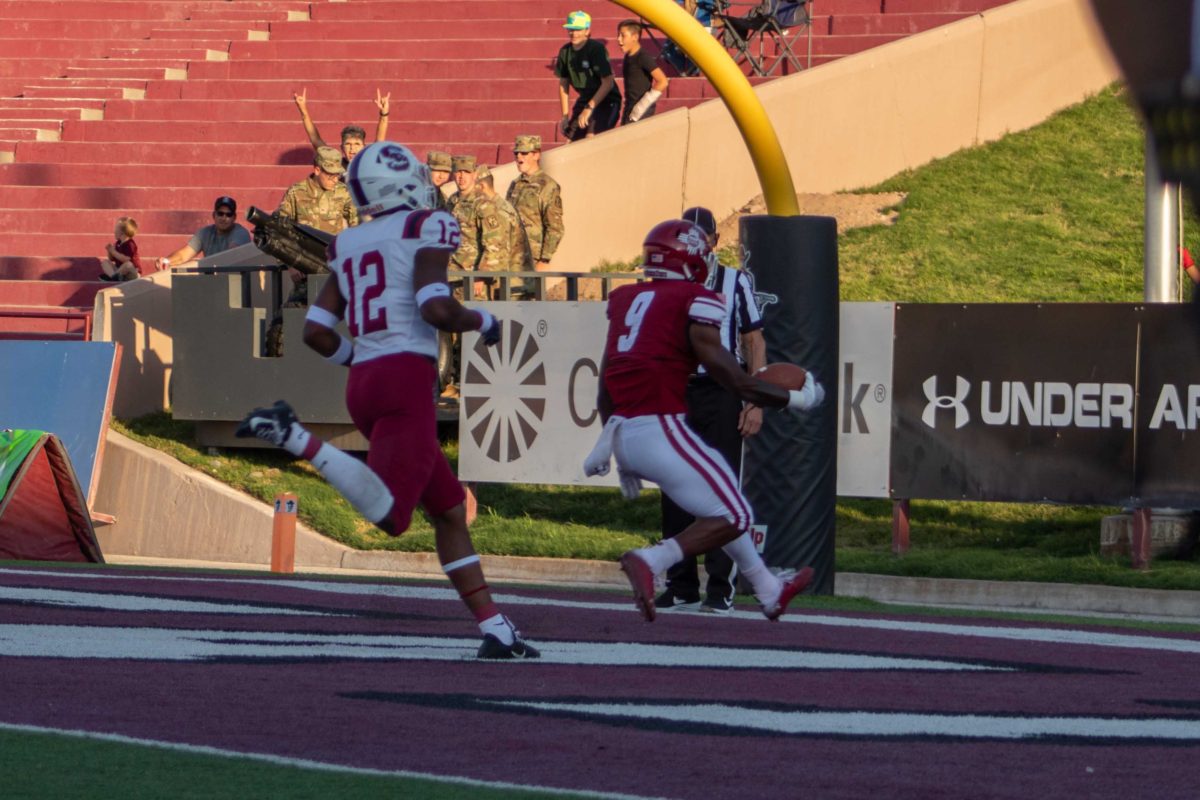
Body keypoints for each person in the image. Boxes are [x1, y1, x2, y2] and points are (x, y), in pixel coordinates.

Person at [236, 141, 539, 659]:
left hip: (365, 382)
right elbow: (435, 305)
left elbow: (315, 332)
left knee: (448, 513)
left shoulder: (348, 242)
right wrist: (484, 321)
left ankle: (495, 627)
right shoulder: (427, 227)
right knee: (393, 517)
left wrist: (363, 363)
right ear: (405, 181)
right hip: (406, 379)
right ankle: (294, 436)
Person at [584, 218, 823, 623]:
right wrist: (796, 398)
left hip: (625, 428)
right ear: (695, 257)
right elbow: (733, 378)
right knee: (736, 515)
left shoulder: (626, 299)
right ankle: (651, 559)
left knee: (723, 499)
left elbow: (604, 385)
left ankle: (769, 590)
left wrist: (612, 442)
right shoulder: (696, 297)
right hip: (662, 427)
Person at [655, 207, 766, 614]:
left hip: (721, 388)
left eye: (703, 237)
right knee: (673, 485)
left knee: (721, 488)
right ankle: (680, 583)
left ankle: (720, 586)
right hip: (678, 388)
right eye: (689, 237)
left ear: (715, 241)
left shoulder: (735, 281)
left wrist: (754, 399)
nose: (696, 244)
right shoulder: (667, 279)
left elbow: (753, 340)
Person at [555, 11, 622, 141]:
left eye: (578, 29)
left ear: (587, 30)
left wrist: (589, 108)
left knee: (592, 137)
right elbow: (564, 83)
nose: (574, 33)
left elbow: (608, 82)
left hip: (607, 100)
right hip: (585, 98)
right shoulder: (565, 51)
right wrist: (564, 115)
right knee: (572, 139)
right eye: (571, 29)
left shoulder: (596, 49)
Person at [472, 164, 533, 298]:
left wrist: (480, 276)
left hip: (514, 283)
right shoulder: (502, 206)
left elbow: (496, 248)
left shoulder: (496, 211)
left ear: (482, 186)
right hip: (516, 281)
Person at [293, 87, 390, 169]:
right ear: (342, 148)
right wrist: (303, 109)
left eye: (357, 144)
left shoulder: (368, 164)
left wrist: (384, 114)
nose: (352, 149)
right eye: (348, 144)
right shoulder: (336, 164)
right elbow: (315, 139)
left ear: (364, 147)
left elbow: (379, 141)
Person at [506, 135, 564, 270]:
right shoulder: (515, 184)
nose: (519, 157)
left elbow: (555, 227)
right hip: (510, 257)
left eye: (524, 153)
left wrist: (544, 260)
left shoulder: (548, 186)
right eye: (516, 153)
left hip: (531, 259)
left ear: (536, 155)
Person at [156, 196, 251, 269]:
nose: (224, 218)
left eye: (228, 215)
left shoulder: (240, 233)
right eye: (220, 213)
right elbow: (184, 254)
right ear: (214, 215)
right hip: (213, 280)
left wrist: (196, 264)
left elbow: (230, 257)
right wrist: (167, 261)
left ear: (234, 217)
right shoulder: (205, 232)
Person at [617, 19, 670, 124]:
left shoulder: (643, 57)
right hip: (629, 108)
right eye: (618, 35)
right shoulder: (627, 56)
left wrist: (640, 108)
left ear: (635, 37)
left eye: (623, 35)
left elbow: (663, 81)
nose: (619, 40)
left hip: (641, 113)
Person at [447, 155, 483, 272]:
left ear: (474, 174)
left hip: (472, 275)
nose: (461, 177)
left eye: (466, 172)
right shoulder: (452, 201)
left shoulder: (483, 203)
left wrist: (482, 275)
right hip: (452, 272)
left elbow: (493, 244)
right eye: (458, 172)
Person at [98, 216, 143, 282]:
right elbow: (111, 259)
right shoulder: (118, 243)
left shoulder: (130, 244)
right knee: (105, 262)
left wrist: (113, 252)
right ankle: (114, 277)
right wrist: (109, 251)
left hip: (132, 273)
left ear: (122, 233)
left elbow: (126, 259)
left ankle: (113, 277)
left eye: (116, 229)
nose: (114, 231)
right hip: (120, 272)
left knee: (128, 265)